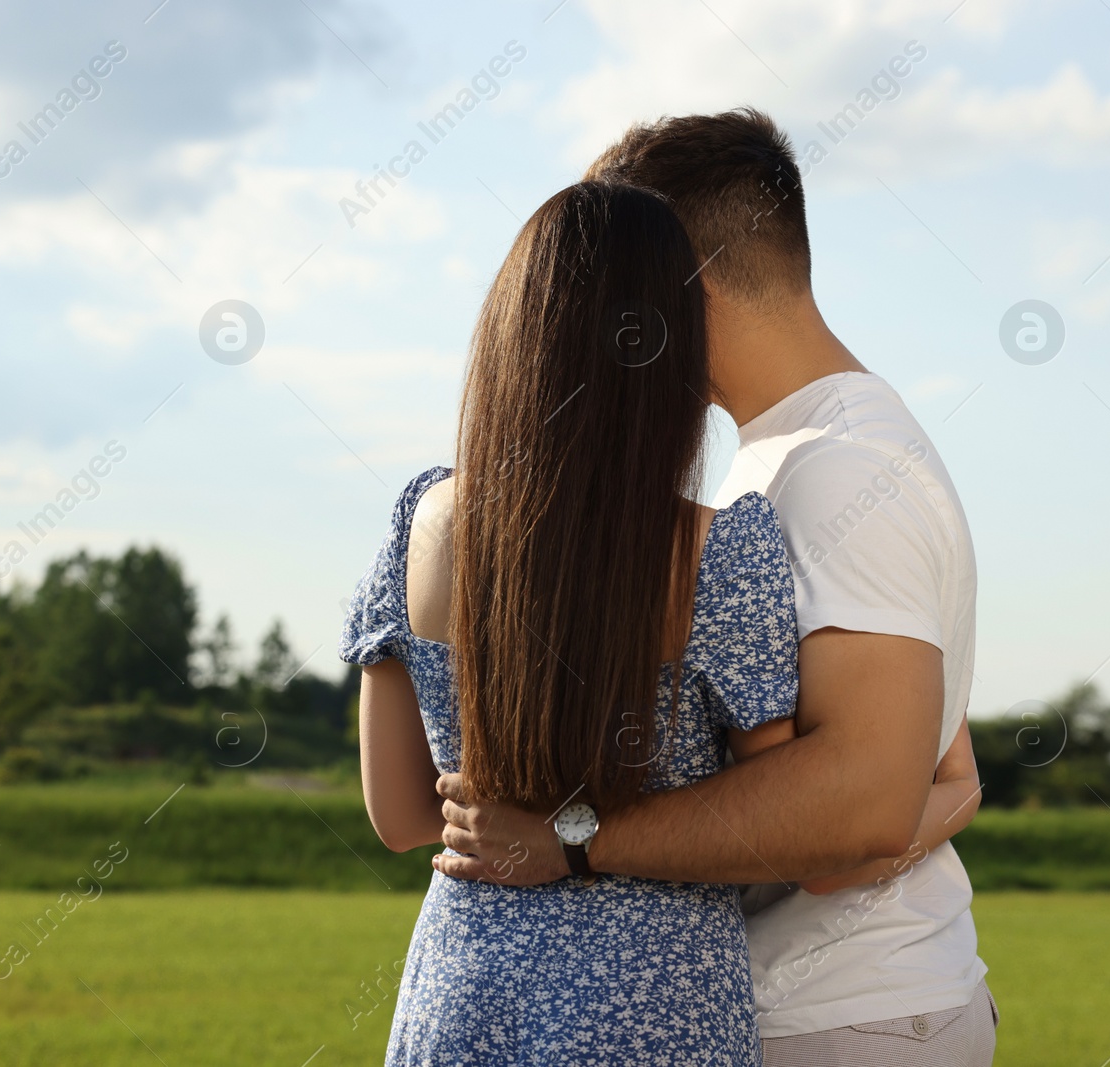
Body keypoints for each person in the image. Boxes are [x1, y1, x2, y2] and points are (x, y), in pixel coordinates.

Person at [435, 109, 997, 1065]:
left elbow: (861, 803)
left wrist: (574, 840)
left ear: (671, 286)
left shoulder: (841, 472)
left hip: (838, 1021)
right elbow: (939, 776)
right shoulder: (787, 462)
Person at [341, 180, 804, 1063]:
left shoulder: (420, 522)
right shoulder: (720, 552)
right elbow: (771, 838)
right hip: (658, 1007)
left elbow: (400, 815)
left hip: (464, 991)